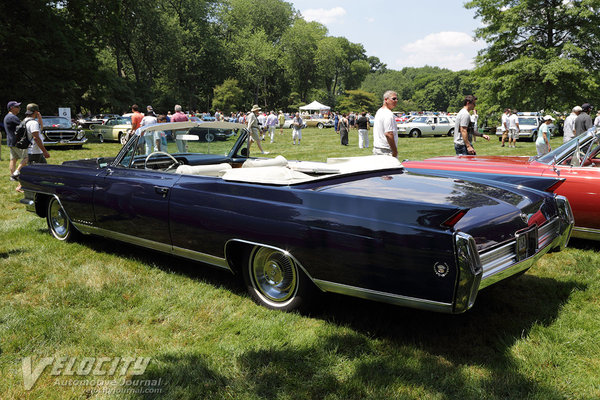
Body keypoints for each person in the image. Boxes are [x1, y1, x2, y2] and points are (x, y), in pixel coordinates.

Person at [4, 101, 28, 188]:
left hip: (10, 141)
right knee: (26, 158)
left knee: (13, 159)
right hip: (16, 141)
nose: (19, 108)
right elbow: (23, 125)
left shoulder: (8, 116)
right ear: (11, 108)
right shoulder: (12, 117)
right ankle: (16, 173)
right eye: (17, 107)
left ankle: (12, 176)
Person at [373, 90, 399, 157]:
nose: (396, 100)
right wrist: (394, 151)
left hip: (377, 148)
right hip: (386, 150)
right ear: (386, 100)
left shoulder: (379, 111)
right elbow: (389, 133)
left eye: (397, 99)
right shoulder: (388, 114)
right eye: (393, 99)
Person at [24, 104, 50, 168]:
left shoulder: (25, 121)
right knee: (42, 170)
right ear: (36, 112)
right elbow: (36, 138)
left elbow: (41, 128)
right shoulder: (33, 123)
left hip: (29, 149)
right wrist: (45, 151)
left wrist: (39, 118)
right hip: (35, 151)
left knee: (40, 169)